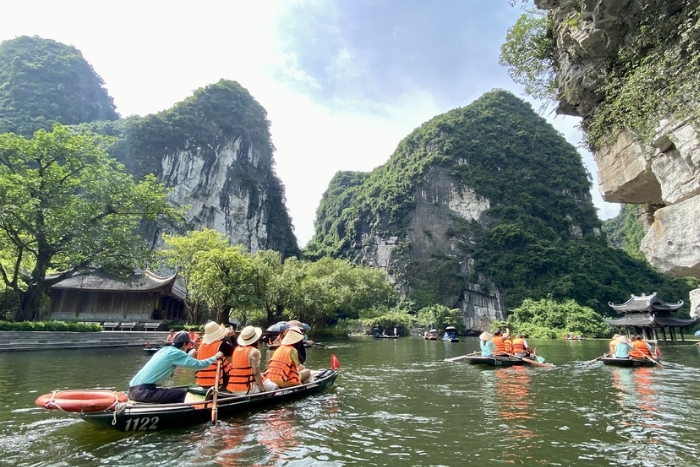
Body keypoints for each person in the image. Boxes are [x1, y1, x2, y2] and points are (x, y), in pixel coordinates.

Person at [128, 331, 223, 403]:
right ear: (185, 344)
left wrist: (189, 354)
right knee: (182, 393)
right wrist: (215, 357)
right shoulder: (177, 353)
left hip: (132, 390)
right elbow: (198, 365)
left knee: (172, 392)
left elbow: (176, 361)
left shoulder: (165, 350)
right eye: (189, 344)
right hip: (144, 392)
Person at [226, 326, 278, 394]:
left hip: (233, 388)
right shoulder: (254, 352)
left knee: (266, 381)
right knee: (275, 386)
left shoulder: (236, 350)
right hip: (247, 389)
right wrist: (262, 390)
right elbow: (256, 373)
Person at [195, 321, 234, 389]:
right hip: (218, 383)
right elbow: (238, 352)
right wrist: (233, 337)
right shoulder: (222, 345)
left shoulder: (201, 345)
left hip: (201, 382)